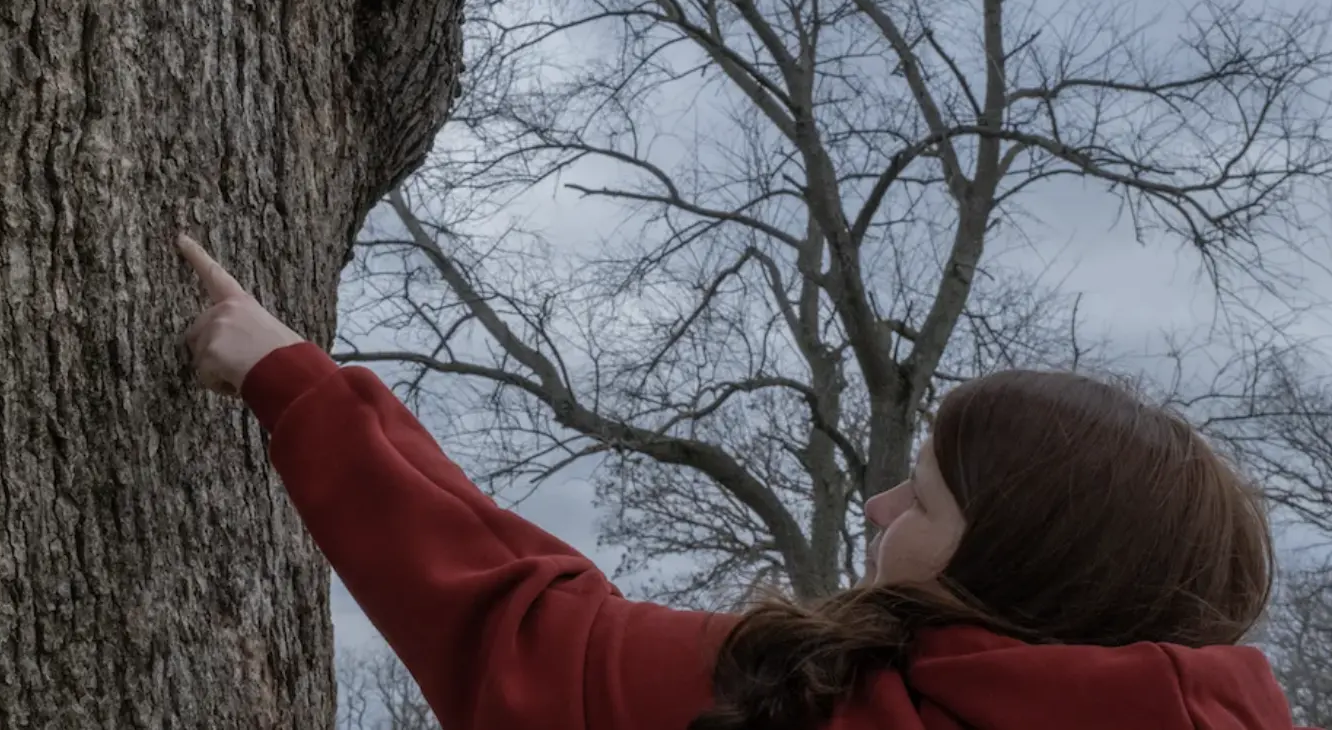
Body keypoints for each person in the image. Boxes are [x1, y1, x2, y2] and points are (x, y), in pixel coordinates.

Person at [175, 236, 1311, 730]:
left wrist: (298, 386)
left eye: (923, 499)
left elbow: (521, 632)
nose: (877, 508)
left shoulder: (836, 707)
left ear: (1013, 562)